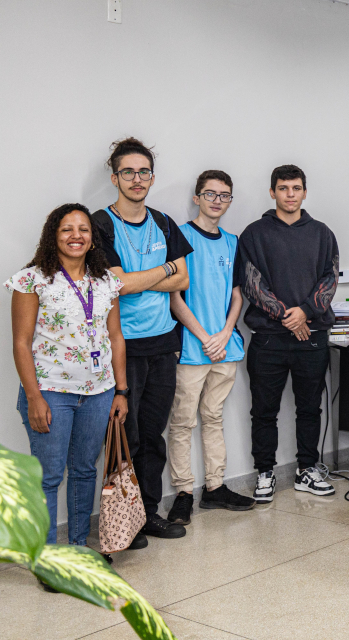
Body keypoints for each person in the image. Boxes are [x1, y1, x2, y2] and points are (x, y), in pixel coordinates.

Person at [9, 204, 129, 575]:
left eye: (83, 229)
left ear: (93, 239)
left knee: (83, 470)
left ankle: (77, 547)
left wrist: (121, 390)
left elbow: (115, 336)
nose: (76, 236)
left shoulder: (106, 282)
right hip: (50, 392)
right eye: (66, 229)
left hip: (99, 391)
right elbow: (21, 342)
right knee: (48, 475)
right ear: (53, 235)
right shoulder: (32, 280)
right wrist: (33, 397)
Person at [90, 137, 192, 544]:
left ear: (152, 177)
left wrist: (141, 279)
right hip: (123, 348)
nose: (137, 179)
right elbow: (116, 284)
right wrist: (162, 269)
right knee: (124, 438)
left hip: (163, 345)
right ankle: (122, 522)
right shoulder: (100, 223)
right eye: (128, 172)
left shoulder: (164, 223)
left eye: (144, 171)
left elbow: (182, 279)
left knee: (153, 435)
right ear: (114, 177)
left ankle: (148, 513)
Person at [237, 165, 340, 502]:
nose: (290, 194)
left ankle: (306, 470)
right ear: (272, 192)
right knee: (263, 411)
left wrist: (305, 313)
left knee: (310, 409)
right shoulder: (254, 233)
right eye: (283, 188)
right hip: (269, 339)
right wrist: (286, 315)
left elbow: (330, 279)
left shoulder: (323, 233)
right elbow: (252, 283)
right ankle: (265, 473)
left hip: (312, 337)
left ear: (305, 192)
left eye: (296, 188)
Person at [165, 171, 256, 525]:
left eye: (224, 195)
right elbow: (174, 296)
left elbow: (238, 294)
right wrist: (205, 337)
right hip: (192, 347)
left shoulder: (233, 242)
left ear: (230, 201)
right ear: (196, 198)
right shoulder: (180, 236)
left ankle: (215, 487)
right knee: (182, 422)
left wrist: (225, 333)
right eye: (210, 194)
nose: (217, 201)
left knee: (213, 417)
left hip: (225, 347)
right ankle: (184, 492)